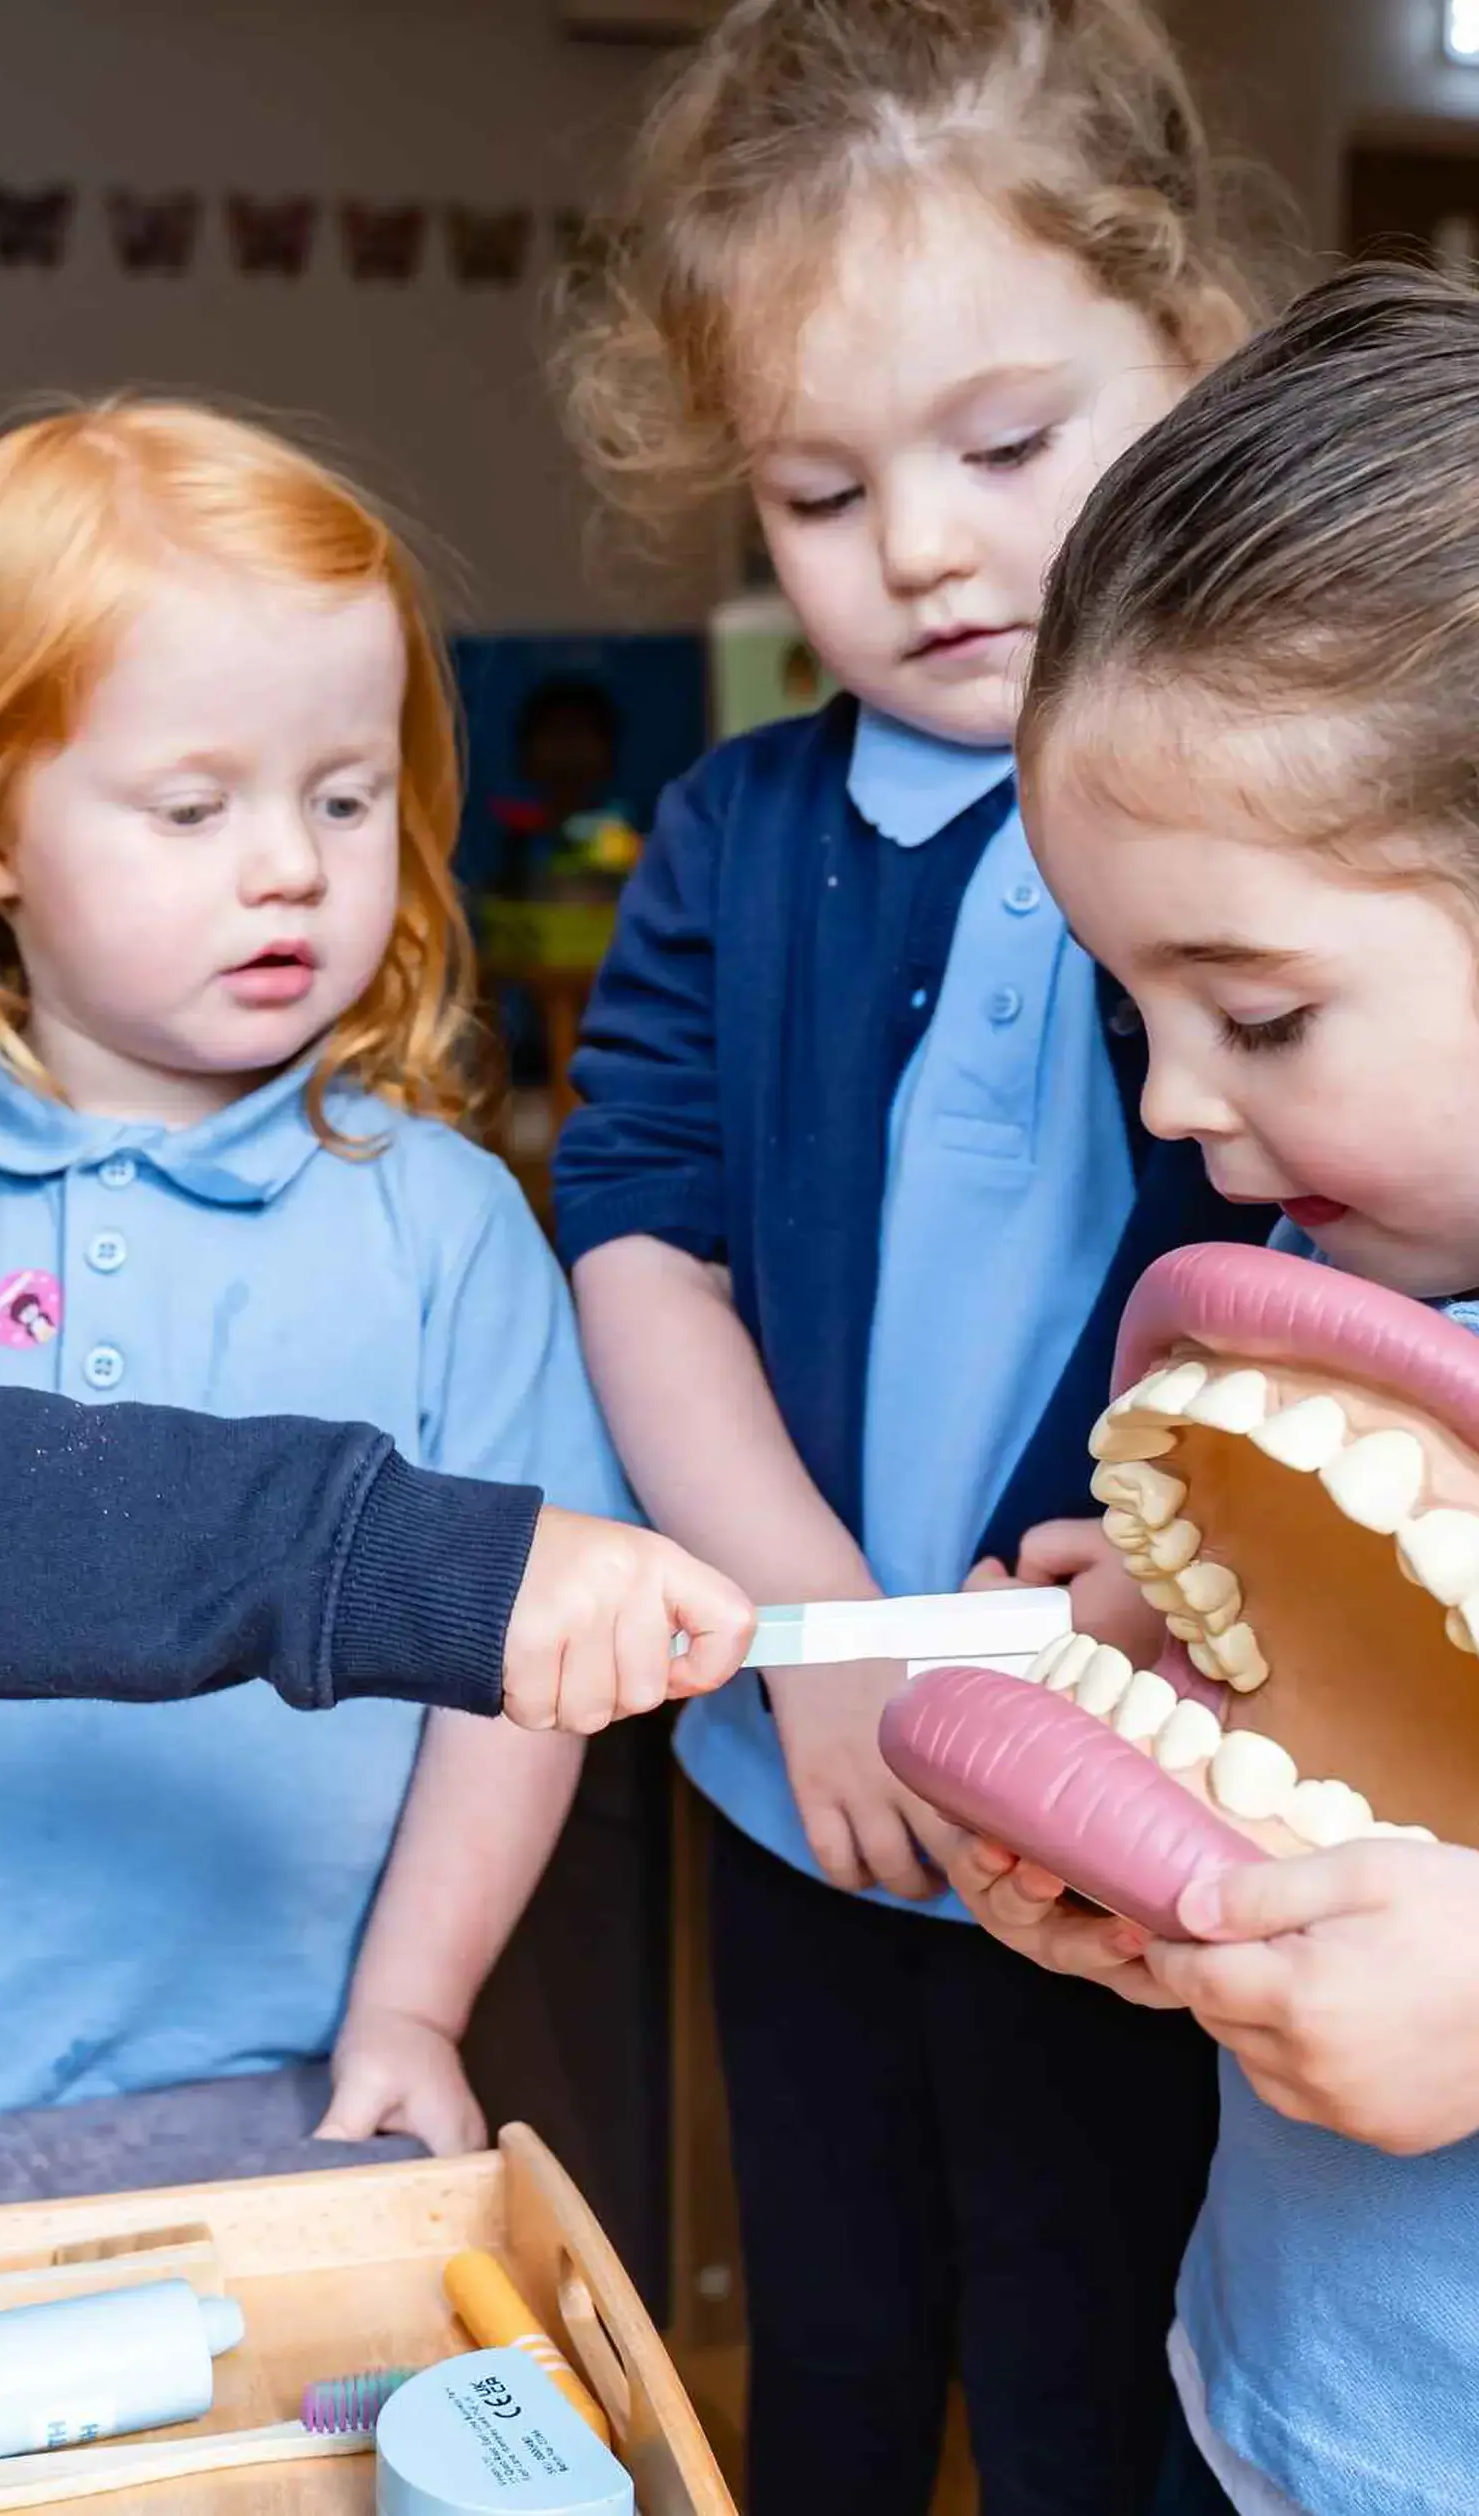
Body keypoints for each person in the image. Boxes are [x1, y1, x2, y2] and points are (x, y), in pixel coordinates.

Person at [0, 359, 753, 2176]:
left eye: (346, 801)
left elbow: (512, 1690)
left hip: (288, 2088)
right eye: (194, 811)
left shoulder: (447, 1226)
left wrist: (414, 2010)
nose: (286, 868)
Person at [552, 2, 1282, 2505]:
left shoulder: (1265, 822)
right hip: (805, 1779)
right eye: (822, 491)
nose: (933, 549)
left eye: (1006, 445)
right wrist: (828, 1642)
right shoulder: (734, 834)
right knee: (842, 2348)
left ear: (1189, 360)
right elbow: (639, 1232)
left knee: (1111, 2376)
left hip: (1143, 1805)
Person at [953, 261, 1479, 2516]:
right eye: (1130, 1010)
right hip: (1273, 2410)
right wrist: (1197, 1696)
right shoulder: (1318, 1284)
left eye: (1260, 1018)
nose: (1176, 1105)